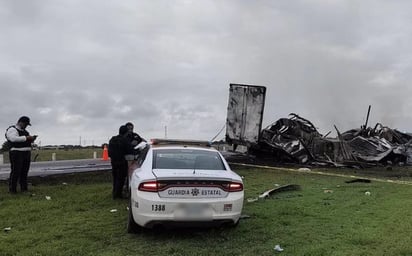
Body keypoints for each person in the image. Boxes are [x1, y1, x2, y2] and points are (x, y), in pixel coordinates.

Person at [5, 116, 37, 193]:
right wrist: (26, 138)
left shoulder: (25, 131)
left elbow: (25, 140)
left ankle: (24, 189)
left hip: (26, 153)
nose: (26, 126)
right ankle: (12, 190)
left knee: (24, 171)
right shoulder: (12, 129)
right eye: (25, 124)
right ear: (20, 122)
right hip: (16, 153)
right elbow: (13, 139)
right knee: (16, 171)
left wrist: (32, 139)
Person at [108, 125, 133, 199]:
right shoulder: (125, 140)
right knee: (121, 179)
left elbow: (109, 152)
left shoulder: (112, 139)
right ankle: (118, 195)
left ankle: (114, 193)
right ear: (126, 133)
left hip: (113, 162)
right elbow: (130, 150)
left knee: (115, 178)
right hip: (122, 162)